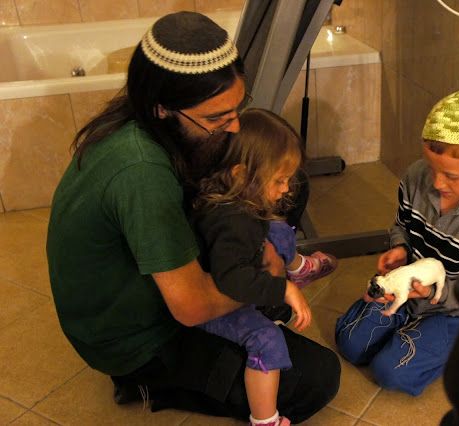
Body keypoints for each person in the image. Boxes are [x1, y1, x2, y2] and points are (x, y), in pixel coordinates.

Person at [46, 11, 340, 423]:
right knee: (316, 379)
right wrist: (270, 274)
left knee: (287, 181)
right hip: (140, 338)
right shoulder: (141, 172)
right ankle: (146, 382)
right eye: (217, 118)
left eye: (237, 108)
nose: (234, 127)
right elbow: (191, 307)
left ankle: (252, 290)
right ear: (162, 108)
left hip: (164, 281)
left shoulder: (148, 123)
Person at [335, 90, 459, 397]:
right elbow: (402, 225)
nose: (437, 183)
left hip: (457, 313)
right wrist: (399, 248)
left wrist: (435, 295)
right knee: (350, 343)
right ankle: (408, 328)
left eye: (452, 176)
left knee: (390, 372)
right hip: (411, 292)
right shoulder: (415, 176)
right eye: (430, 167)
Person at [191, 108, 330, 426]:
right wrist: (283, 289)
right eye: (279, 180)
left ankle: (298, 266)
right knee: (267, 340)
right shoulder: (231, 224)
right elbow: (231, 280)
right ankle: (265, 420)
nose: (286, 189)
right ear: (241, 174)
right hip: (216, 308)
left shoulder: (229, 195)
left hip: (242, 267)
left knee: (279, 230)